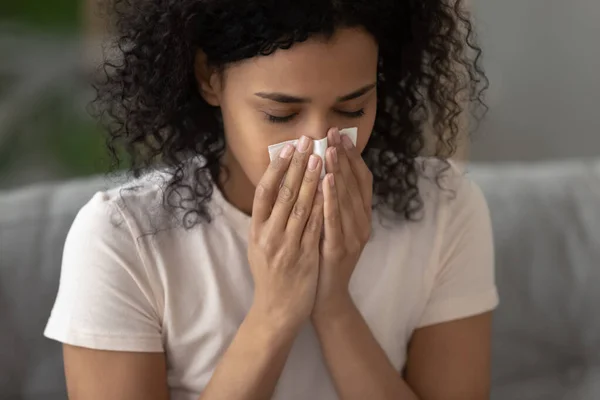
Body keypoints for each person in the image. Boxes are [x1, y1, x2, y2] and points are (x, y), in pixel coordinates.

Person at [44, 0, 499, 399]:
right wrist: (276, 312)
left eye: (352, 109)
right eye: (281, 114)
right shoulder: (123, 237)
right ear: (209, 79)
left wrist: (334, 307)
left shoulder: (445, 207)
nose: (320, 143)